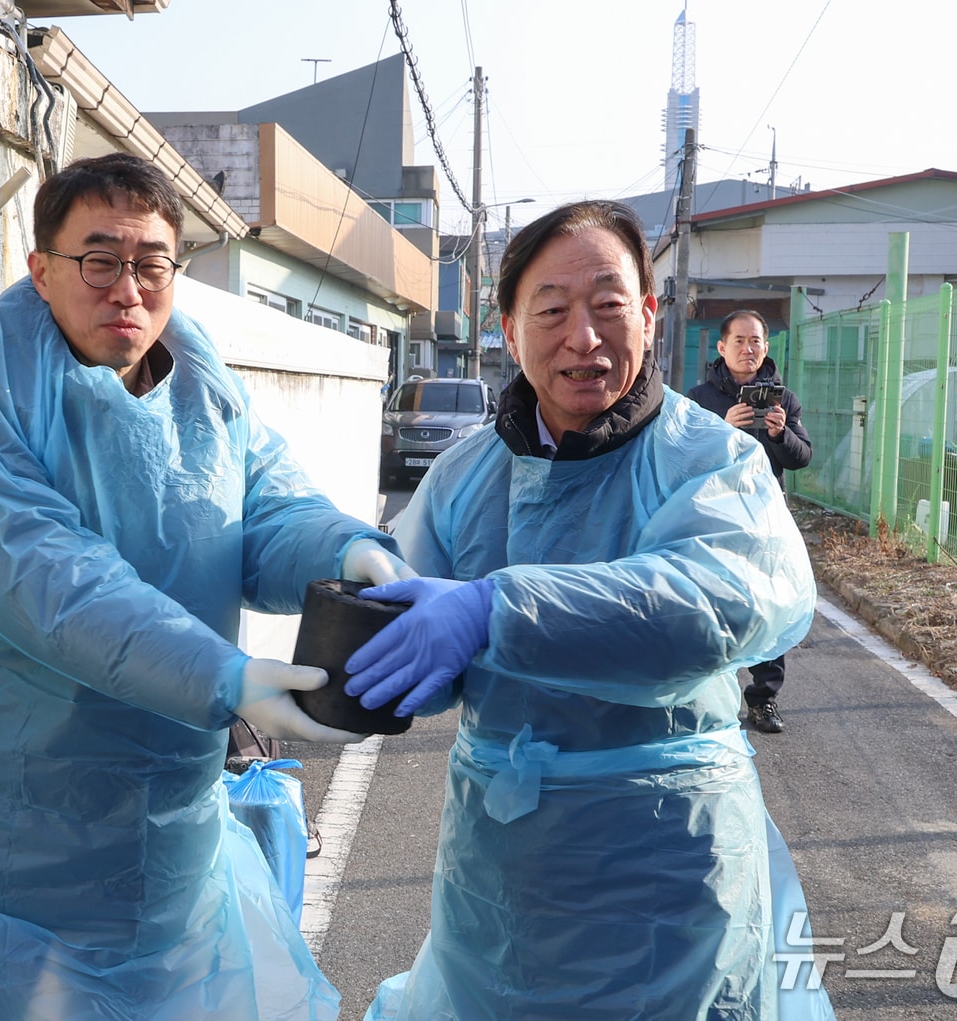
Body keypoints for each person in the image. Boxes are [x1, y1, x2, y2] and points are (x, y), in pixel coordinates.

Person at [0, 153, 412, 1020]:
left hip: (165, 819)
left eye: (152, 264)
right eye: (99, 260)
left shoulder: (201, 382)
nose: (128, 289)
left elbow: (261, 508)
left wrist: (348, 549)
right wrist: (222, 676)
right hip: (12, 826)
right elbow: (52, 582)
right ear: (41, 270)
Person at [346, 201, 835, 1019]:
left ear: (648, 314)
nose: (584, 337)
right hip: (502, 876)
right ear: (510, 330)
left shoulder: (712, 458)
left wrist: (497, 609)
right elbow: (402, 623)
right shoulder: (465, 475)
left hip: (672, 870)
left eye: (608, 305)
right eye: (552, 311)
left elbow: (711, 603)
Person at [687, 309, 813, 734]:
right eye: (739, 341)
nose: (748, 348)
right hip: (715, 516)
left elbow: (801, 458)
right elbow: (685, 457)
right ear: (722, 348)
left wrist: (780, 434)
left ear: (766, 347)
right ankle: (706, 698)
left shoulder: (784, 400)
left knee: (768, 606)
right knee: (712, 605)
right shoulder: (699, 399)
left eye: (755, 340)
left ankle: (763, 700)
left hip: (765, 519)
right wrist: (722, 429)